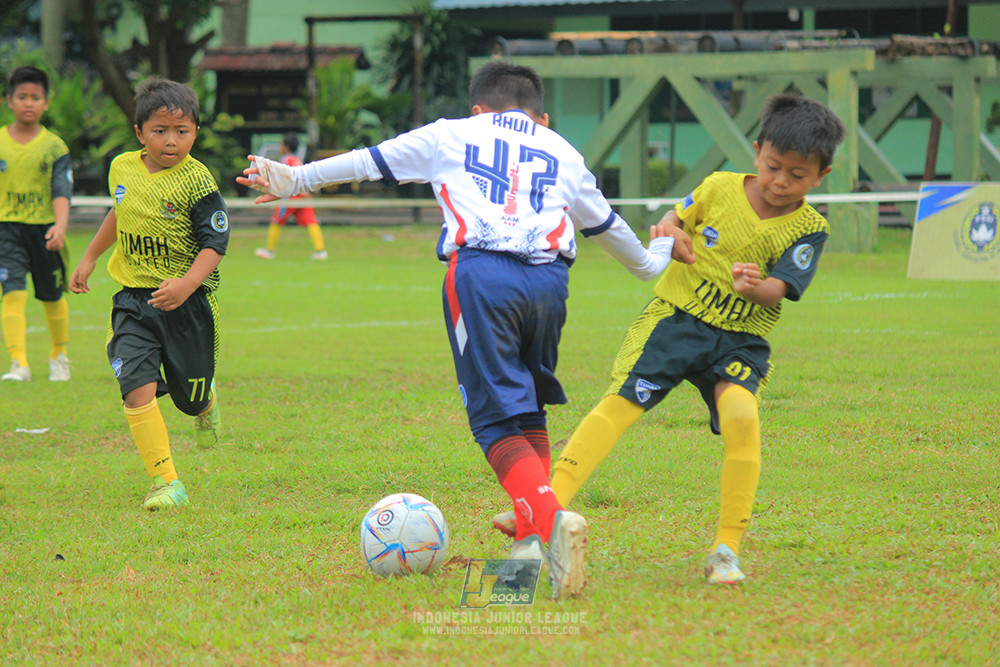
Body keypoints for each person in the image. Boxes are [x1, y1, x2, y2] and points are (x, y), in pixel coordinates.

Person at [237, 60, 677, 598]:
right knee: (526, 406)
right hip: (550, 284)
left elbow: (372, 161)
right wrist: (659, 254)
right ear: (542, 116)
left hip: (481, 276)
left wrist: (297, 178)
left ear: (478, 109)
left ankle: (552, 522)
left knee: (493, 422)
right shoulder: (562, 149)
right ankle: (530, 552)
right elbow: (618, 238)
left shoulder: (452, 134)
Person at [493, 92, 846, 585]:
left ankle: (726, 549)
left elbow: (780, 290)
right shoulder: (719, 187)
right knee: (620, 405)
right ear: (757, 149)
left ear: (821, 177)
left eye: (797, 175)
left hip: (740, 340)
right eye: (773, 166)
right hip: (676, 322)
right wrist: (670, 232)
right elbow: (673, 220)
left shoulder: (810, 228)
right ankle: (542, 507)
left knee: (742, 417)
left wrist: (756, 286)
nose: (781, 181)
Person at [70, 78, 228, 511]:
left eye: (183, 131)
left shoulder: (197, 182)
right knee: (134, 386)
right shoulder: (122, 167)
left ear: (196, 132)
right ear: (140, 132)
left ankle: (206, 400)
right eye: (160, 131)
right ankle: (166, 482)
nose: (171, 141)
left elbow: (216, 244)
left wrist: (186, 285)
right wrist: (88, 259)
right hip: (134, 301)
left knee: (189, 397)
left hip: (188, 305)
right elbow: (120, 212)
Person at [0, 65, 73, 382]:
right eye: (21, 97)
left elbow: (61, 189)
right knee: (12, 293)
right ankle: (19, 364)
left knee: (52, 296)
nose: (28, 103)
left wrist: (60, 226)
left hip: (45, 231)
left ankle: (59, 355)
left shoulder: (55, 146)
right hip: (7, 231)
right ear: (8, 101)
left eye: (35, 97)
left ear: (46, 102)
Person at [254, 132, 327, 261]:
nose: (279, 147)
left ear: (286, 147)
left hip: (292, 196)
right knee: (311, 222)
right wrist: (306, 193)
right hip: (302, 195)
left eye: (281, 144)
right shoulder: (297, 159)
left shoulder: (286, 160)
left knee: (276, 220)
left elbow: (290, 177)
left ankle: (270, 251)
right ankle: (320, 251)